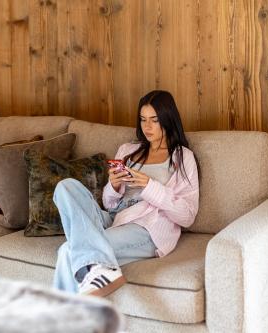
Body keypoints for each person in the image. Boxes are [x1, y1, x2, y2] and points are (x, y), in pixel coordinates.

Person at [52, 90, 200, 297]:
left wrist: (149, 185)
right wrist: (113, 186)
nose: (147, 127)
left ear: (167, 119)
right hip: (114, 218)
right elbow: (109, 205)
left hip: (146, 227)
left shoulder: (183, 157)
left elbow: (187, 216)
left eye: (154, 120)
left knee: (68, 251)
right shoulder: (128, 150)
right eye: (142, 120)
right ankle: (102, 271)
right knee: (65, 186)